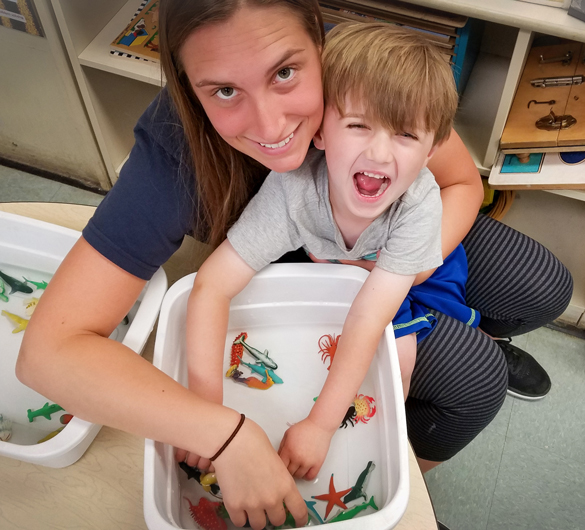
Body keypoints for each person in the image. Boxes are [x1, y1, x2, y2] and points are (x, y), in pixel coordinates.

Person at [15, 0, 572, 528]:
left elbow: (455, 180)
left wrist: (406, 265)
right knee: (475, 382)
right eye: (226, 89)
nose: (272, 122)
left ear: (320, 42)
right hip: (322, 267)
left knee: (542, 288)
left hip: (395, 244)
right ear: (188, 89)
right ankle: (431, 442)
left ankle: (455, 360)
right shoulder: (192, 160)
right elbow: (50, 352)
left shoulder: (367, 75)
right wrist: (216, 427)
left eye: (285, 73)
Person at [185, 21, 462, 481]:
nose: (379, 154)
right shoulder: (292, 192)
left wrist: (320, 424)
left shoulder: (418, 205)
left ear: (431, 150)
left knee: (401, 363)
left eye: (406, 136)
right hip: (345, 270)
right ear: (319, 132)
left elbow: (369, 318)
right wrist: (204, 415)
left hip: (414, 268)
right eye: (357, 125)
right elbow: (212, 285)